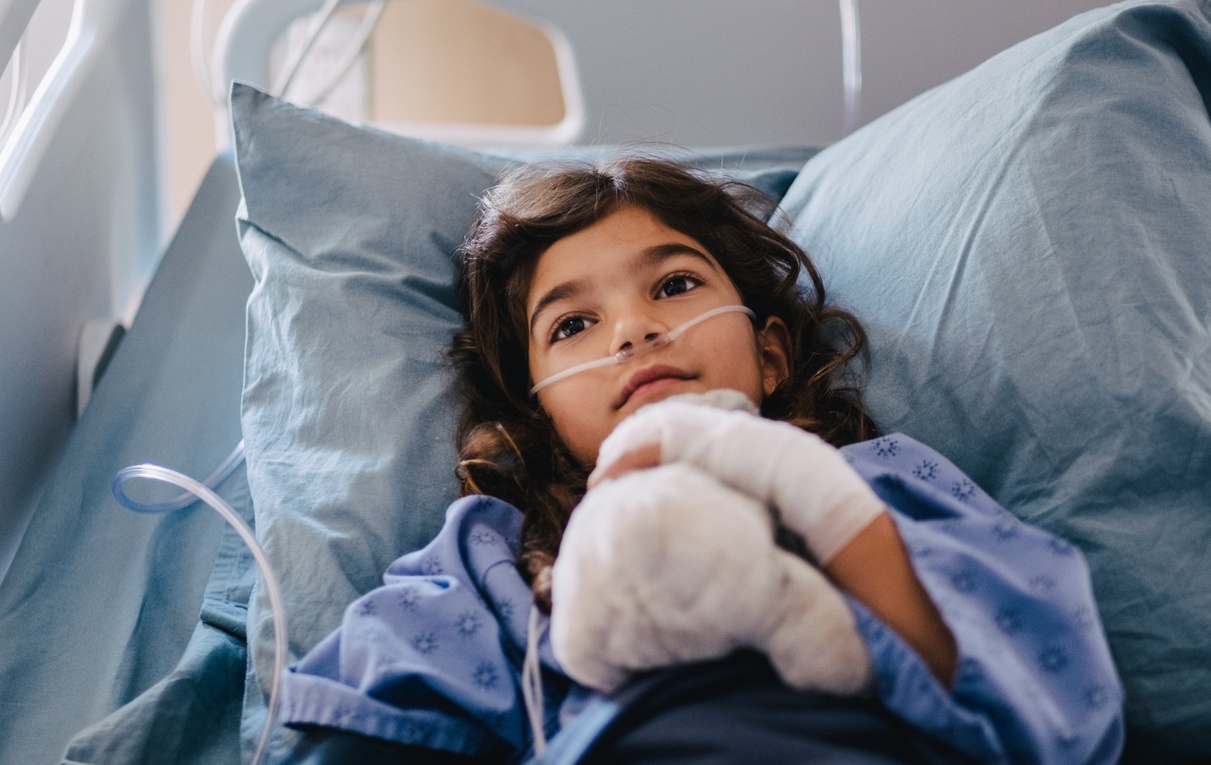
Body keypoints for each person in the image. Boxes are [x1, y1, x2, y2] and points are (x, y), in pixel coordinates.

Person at [278, 155, 1125, 764]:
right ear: (534, 405)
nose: (633, 330)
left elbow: (1048, 692)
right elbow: (368, 715)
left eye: (675, 284)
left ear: (771, 356)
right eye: (571, 325)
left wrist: (812, 498)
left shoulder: (881, 480)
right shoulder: (499, 554)